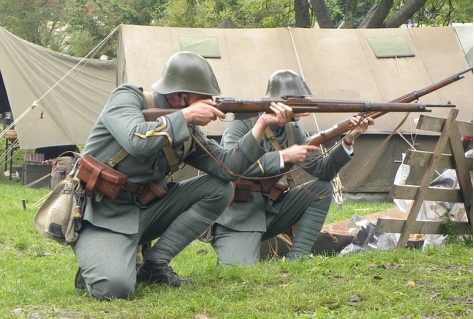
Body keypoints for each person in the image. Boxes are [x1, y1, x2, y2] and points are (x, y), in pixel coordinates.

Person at [73, 52, 295, 300]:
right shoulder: (128, 97)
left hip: (145, 211)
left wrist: (261, 125)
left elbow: (228, 168)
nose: (211, 103)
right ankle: (98, 261)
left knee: (220, 188)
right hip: (102, 215)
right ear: (180, 96)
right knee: (114, 289)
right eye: (204, 97)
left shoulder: (186, 130)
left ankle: (155, 264)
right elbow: (136, 140)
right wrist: (185, 116)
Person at [210, 69, 374, 265]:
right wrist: (282, 156)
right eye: (299, 101)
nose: (303, 106)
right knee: (235, 270)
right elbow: (231, 166)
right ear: (281, 102)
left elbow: (322, 170)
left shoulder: (292, 128)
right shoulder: (242, 122)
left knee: (322, 188)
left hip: (271, 209)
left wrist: (348, 140)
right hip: (238, 217)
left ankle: (298, 257)